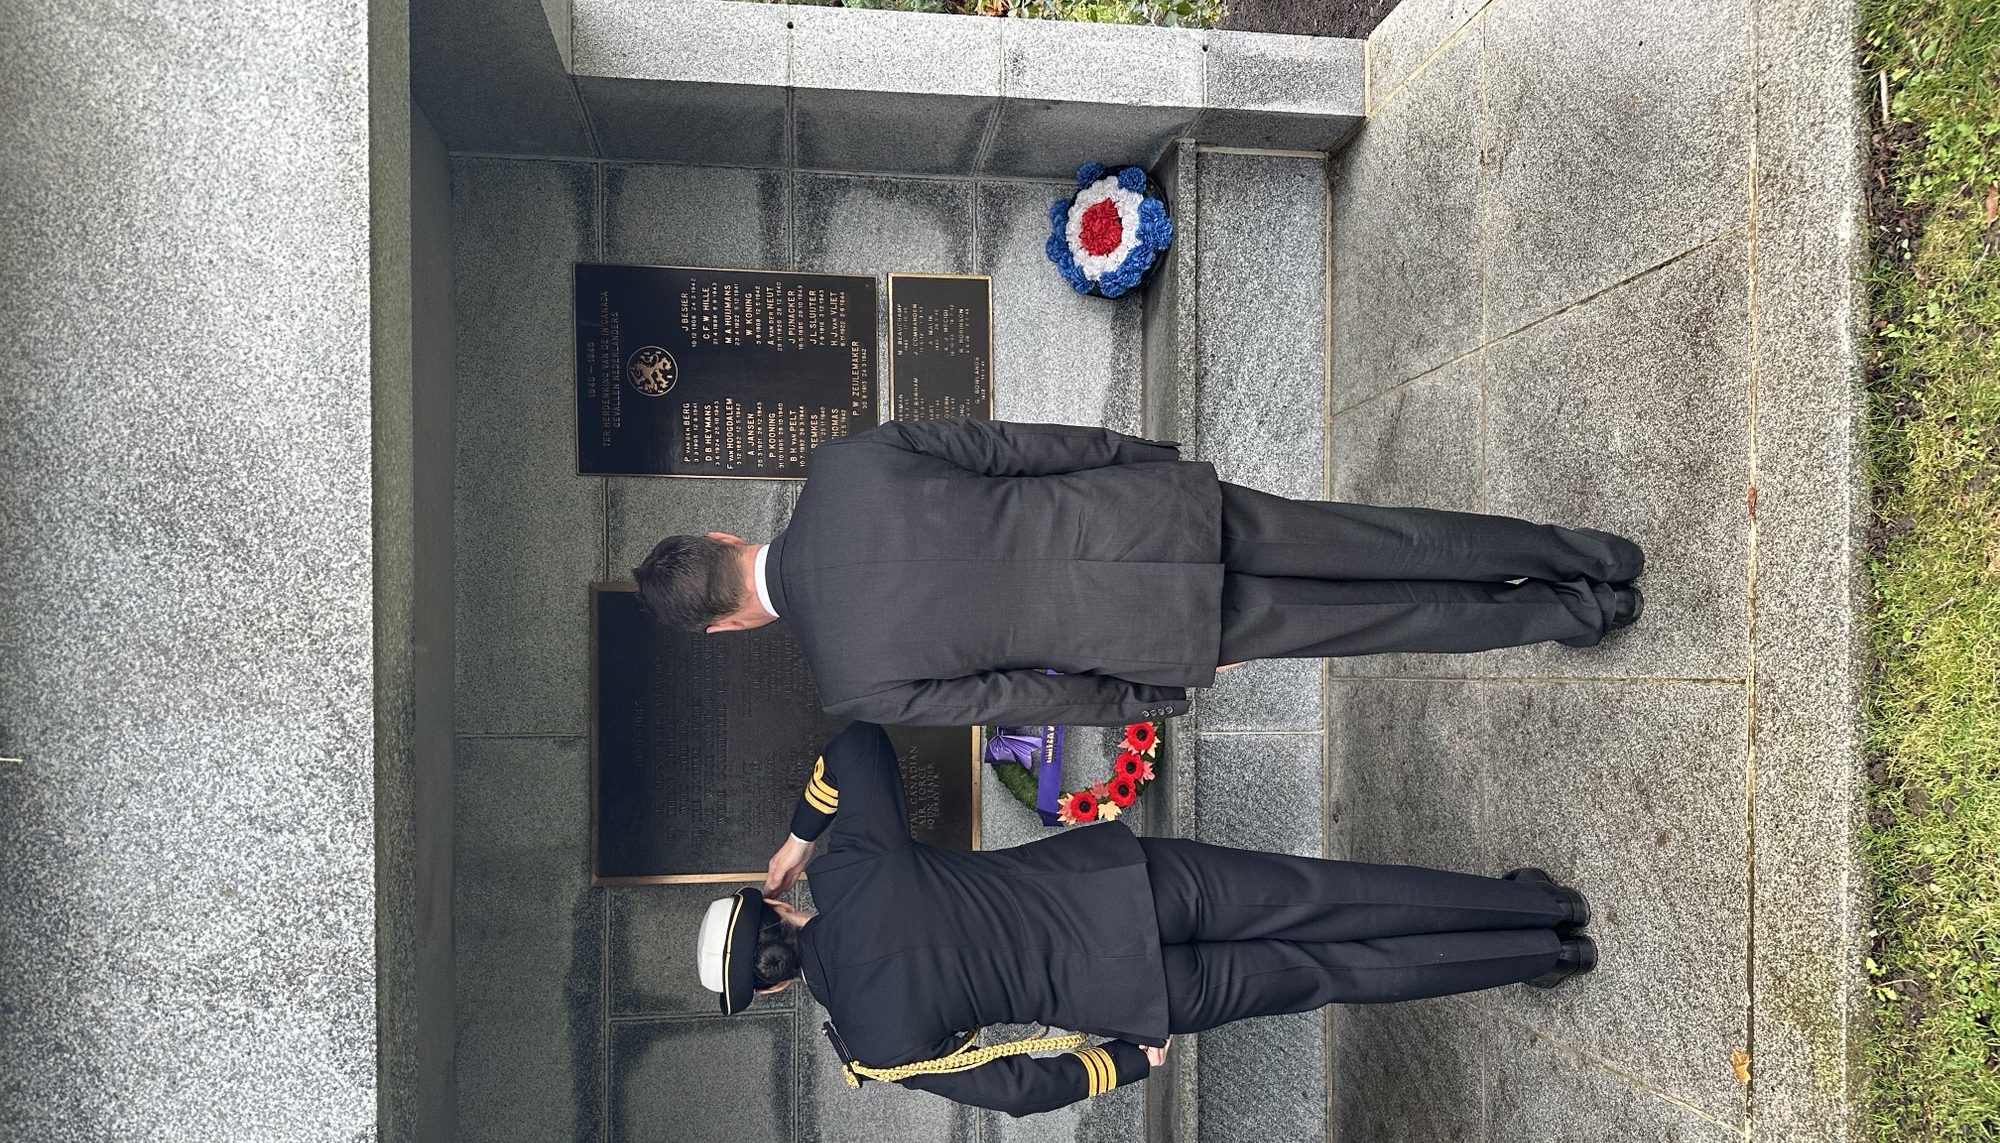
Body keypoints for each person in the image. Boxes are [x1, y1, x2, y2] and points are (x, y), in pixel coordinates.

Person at [693, 721, 1598, 1117]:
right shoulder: (851, 871)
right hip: (1124, 887)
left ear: (771, 988)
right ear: (774, 903)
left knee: (1339, 972)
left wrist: (1121, 1063)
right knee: (1330, 894)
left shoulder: (874, 1049)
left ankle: (1537, 956)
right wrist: (801, 837)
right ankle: (1539, 904)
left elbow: (1012, 1091)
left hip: (1135, 990)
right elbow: (855, 744)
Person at [635, 419, 1644, 728]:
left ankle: (1571, 613)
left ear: (726, 627)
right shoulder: (844, 465)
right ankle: (1585, 555)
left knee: (1381, 622)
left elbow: (1021, 694)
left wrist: (1147, 696)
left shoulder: (853, 688)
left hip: (1144, 629)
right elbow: (1010, 448)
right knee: (1377, 540)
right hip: (1139, 510)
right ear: (724, 539)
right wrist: (1138, 455)